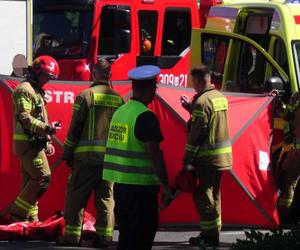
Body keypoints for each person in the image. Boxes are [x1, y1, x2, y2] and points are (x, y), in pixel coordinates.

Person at [102, 65, 173, 250]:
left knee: (126, 238)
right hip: (142, 192)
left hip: (121, 188)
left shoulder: (121, 112)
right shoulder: (146, 116)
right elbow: (155, 155)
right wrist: (166, 186)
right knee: (141, 240)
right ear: (151, 88)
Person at [57, 58, 124, 247]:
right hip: (109, 160)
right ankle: (105, 238)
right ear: (110, 76)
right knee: (106, 199)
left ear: (93, 74)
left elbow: (75, 129)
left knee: (76, 197)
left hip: (86, 159)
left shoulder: (85, 96)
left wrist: (67, 153)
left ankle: (72, 236)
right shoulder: (118, 99)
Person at [180, 64, 232, 247]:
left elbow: (197, 133)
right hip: (222, 158)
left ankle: (209, 237)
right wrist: (191, 109)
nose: (192, 85)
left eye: (193, 81)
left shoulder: (202, 102)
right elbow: (211, 123)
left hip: (206, 158)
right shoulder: (219, 97)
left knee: (203, 196)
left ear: (200, 80)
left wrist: (187, 159)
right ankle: (213, 233)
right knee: (215, 196)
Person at [7, 55, 60, 222]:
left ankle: (30, 220)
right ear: (36, 71)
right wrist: (46, 129)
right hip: (28, 144)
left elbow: (41, 117)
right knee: (43, 178)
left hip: (35, 143)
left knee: (30, 181)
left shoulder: (36, 90)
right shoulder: (24, 89)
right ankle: (17, 214)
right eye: (46, 76)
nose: (47, 81)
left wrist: (48, 140)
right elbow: (25, 118)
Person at [276, 91, 300, 226]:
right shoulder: (297, 96)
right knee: (287, 178)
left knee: (288, 180)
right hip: (295, 148)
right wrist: (280, 106)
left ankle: (287, 217)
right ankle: (289, 217)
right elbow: (289, 116)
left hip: (297, 150)